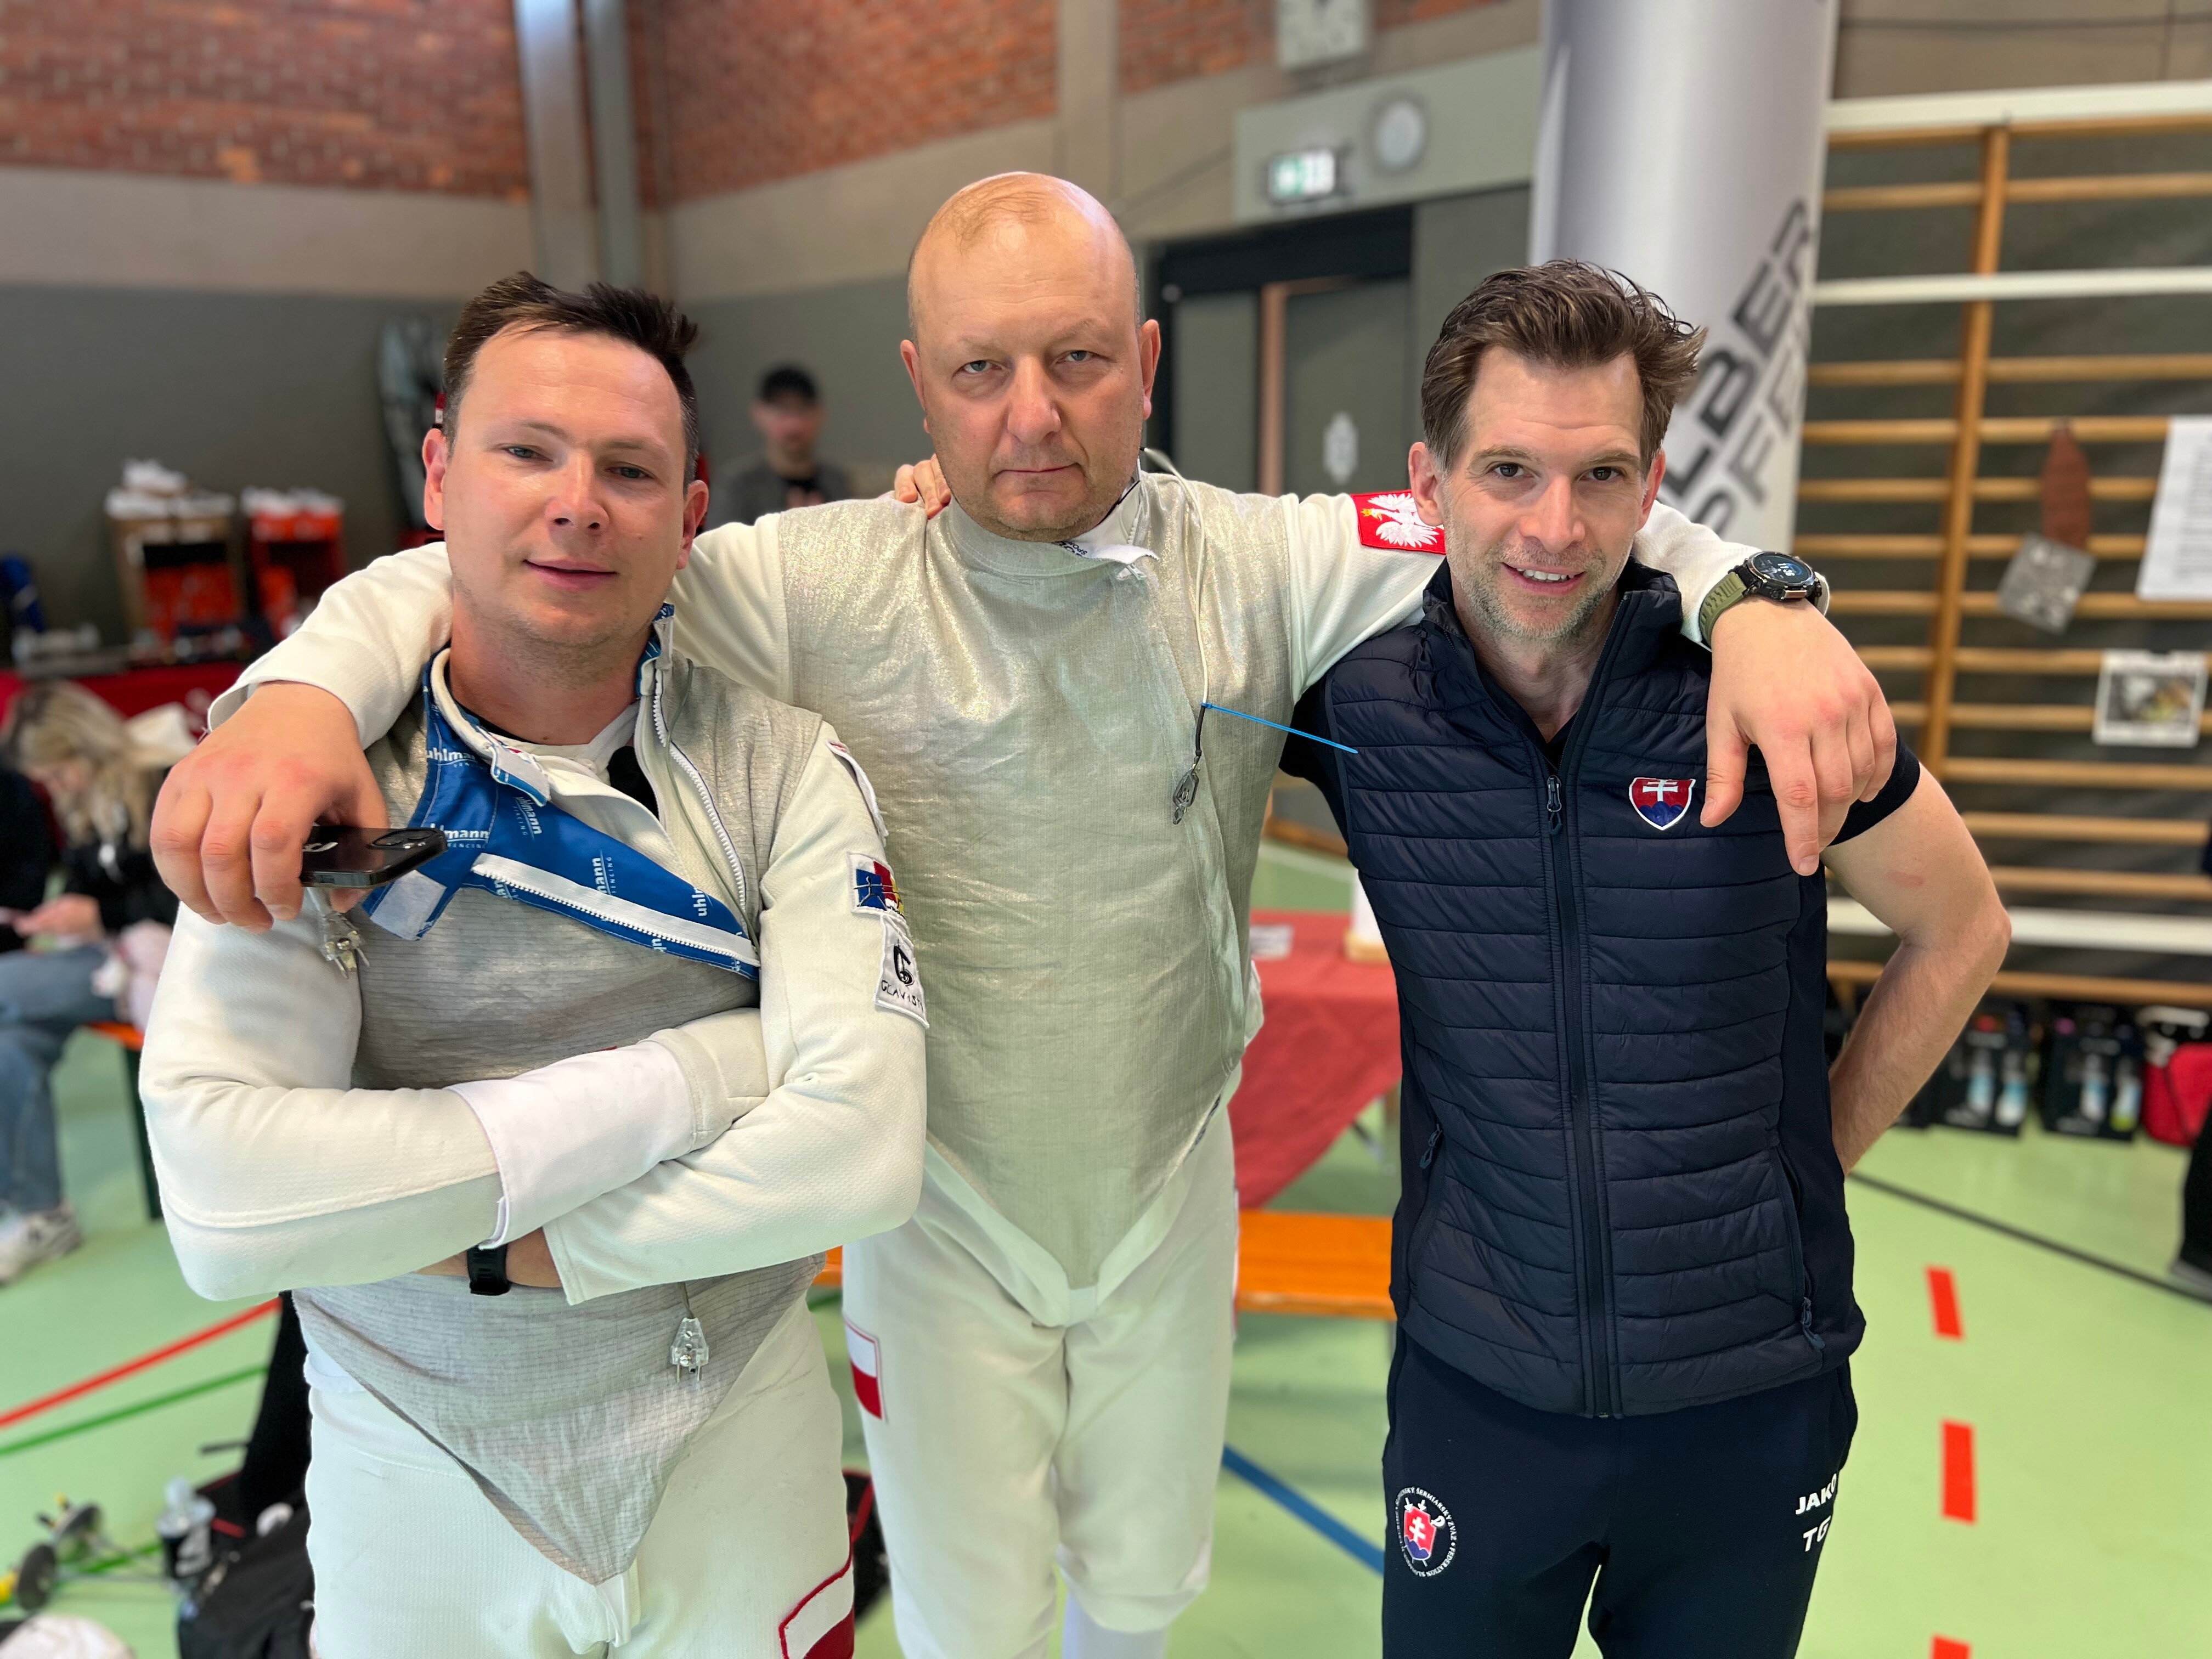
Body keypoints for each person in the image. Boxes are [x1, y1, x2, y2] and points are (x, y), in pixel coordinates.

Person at [148, 176, 1894, 1659]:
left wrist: (1752, 593)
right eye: (982, 371)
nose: (1032, 418)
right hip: (942, 1207)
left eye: (1076, 361)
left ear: (1146, 363)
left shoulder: (1270, 556)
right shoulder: (805, 583)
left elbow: (1546, 505)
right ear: (921, 383)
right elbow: (523, 558)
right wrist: (301, 695)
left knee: (1141, 1592)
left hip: (1167, 1182)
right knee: (971, 1622)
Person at [140, 275, 927, 1658]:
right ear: (441, 476)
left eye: (630, 470)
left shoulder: (787, 767)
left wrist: (497, 1250)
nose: (578, 504)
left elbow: (857, 1156)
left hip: (736, 1423)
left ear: (690, 514)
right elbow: (223, 1205)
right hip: (411, 1452)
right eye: (528, 452)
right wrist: (708, 1071)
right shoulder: (312, 778)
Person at [1278, 263, 2010, 1657]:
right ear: (1429, 484)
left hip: (1750, 1400)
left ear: (1654, 485)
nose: (1555, 528)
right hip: (1478, 1390)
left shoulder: (1768, 692)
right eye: (1508, 471)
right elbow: (1139, 568)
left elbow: (1961, 925)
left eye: (1601, 476)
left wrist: (1812, 1157)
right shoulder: (1359, 700)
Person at [0, 682, 176, 1285]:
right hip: (113, 961)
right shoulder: (86, 803)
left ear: (85, 746)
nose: (57, 790)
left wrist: (100, 915)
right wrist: (64, 913)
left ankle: (42, 1213)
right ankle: (45, 1216)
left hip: (167, 965)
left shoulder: (162, 781)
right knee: (10, 1044)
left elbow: (185, 896)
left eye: (58, 775)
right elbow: (90, 885)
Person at [718, 365, 853, 524]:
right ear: (759, 413)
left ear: (819, 414)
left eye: (802, 410)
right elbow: (721, 539)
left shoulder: (837, 482)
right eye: (783, 410)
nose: (794, 424)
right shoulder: (738, 485)